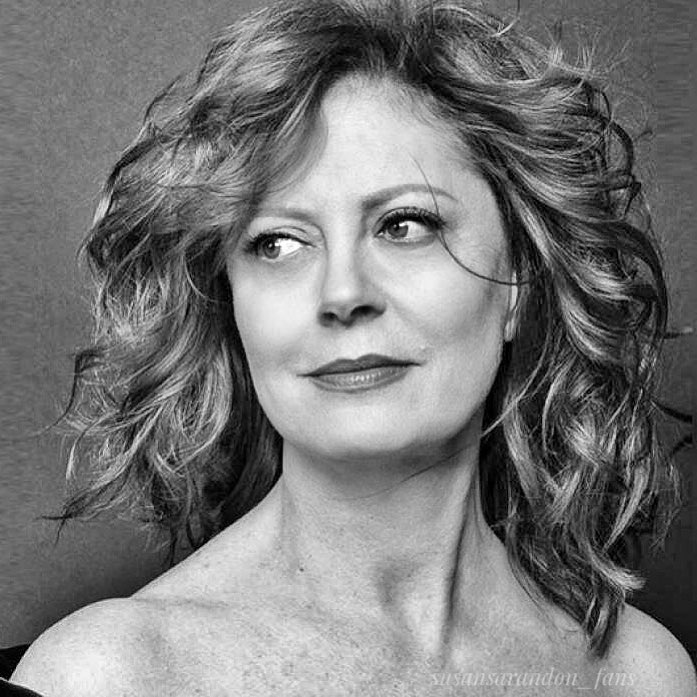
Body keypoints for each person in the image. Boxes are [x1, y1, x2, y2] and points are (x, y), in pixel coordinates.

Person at [11, 0, 696, 695]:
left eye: (404, 225)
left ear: (519, 283)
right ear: (231, 306)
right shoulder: (108, 675)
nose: (342, 293)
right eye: (277, 243)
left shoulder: (640, 677)